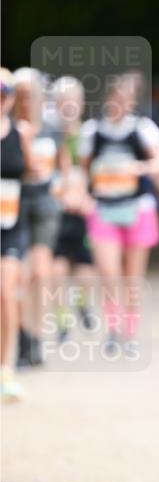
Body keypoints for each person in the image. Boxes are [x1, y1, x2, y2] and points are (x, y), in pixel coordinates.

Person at [79, 73, 159, 350]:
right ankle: (112, 329)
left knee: (132, 277)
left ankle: (130, 334)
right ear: (108, 98)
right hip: (103, 208)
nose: (121, 103)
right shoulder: (92, 131)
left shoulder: (143, 129)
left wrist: (140, 168)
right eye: (117, 97)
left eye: (127, 98)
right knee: (109, 273)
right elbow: (83, 171)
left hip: (137, 208)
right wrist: (84, 196)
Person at [13, 67, 67, 367]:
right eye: (22, 95)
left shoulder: (52, 127)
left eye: (32, 95)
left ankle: (35, 336)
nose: (27, 101)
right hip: (14, 205)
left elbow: (63, 164)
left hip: (45, 203)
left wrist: (66, 188)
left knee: (40, 272)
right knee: (19, 275)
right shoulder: (9, 129)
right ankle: (23, 337)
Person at [50, 77, 96, 341]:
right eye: (63, 101)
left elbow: (97, 171)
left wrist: (86, 196)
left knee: (85, 265)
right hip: (56, 208)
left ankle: (81, 303)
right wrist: (61, 194)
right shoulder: (49, 133)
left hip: (84, 208)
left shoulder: (89, 134)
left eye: (73, 100)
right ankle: (61, 318)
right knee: (56, 264)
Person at [0, 68, 33, 401]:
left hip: (10, 225)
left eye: (3, 94)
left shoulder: (20, 132)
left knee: (6, 293)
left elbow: (34, 169)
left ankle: (5, 369)